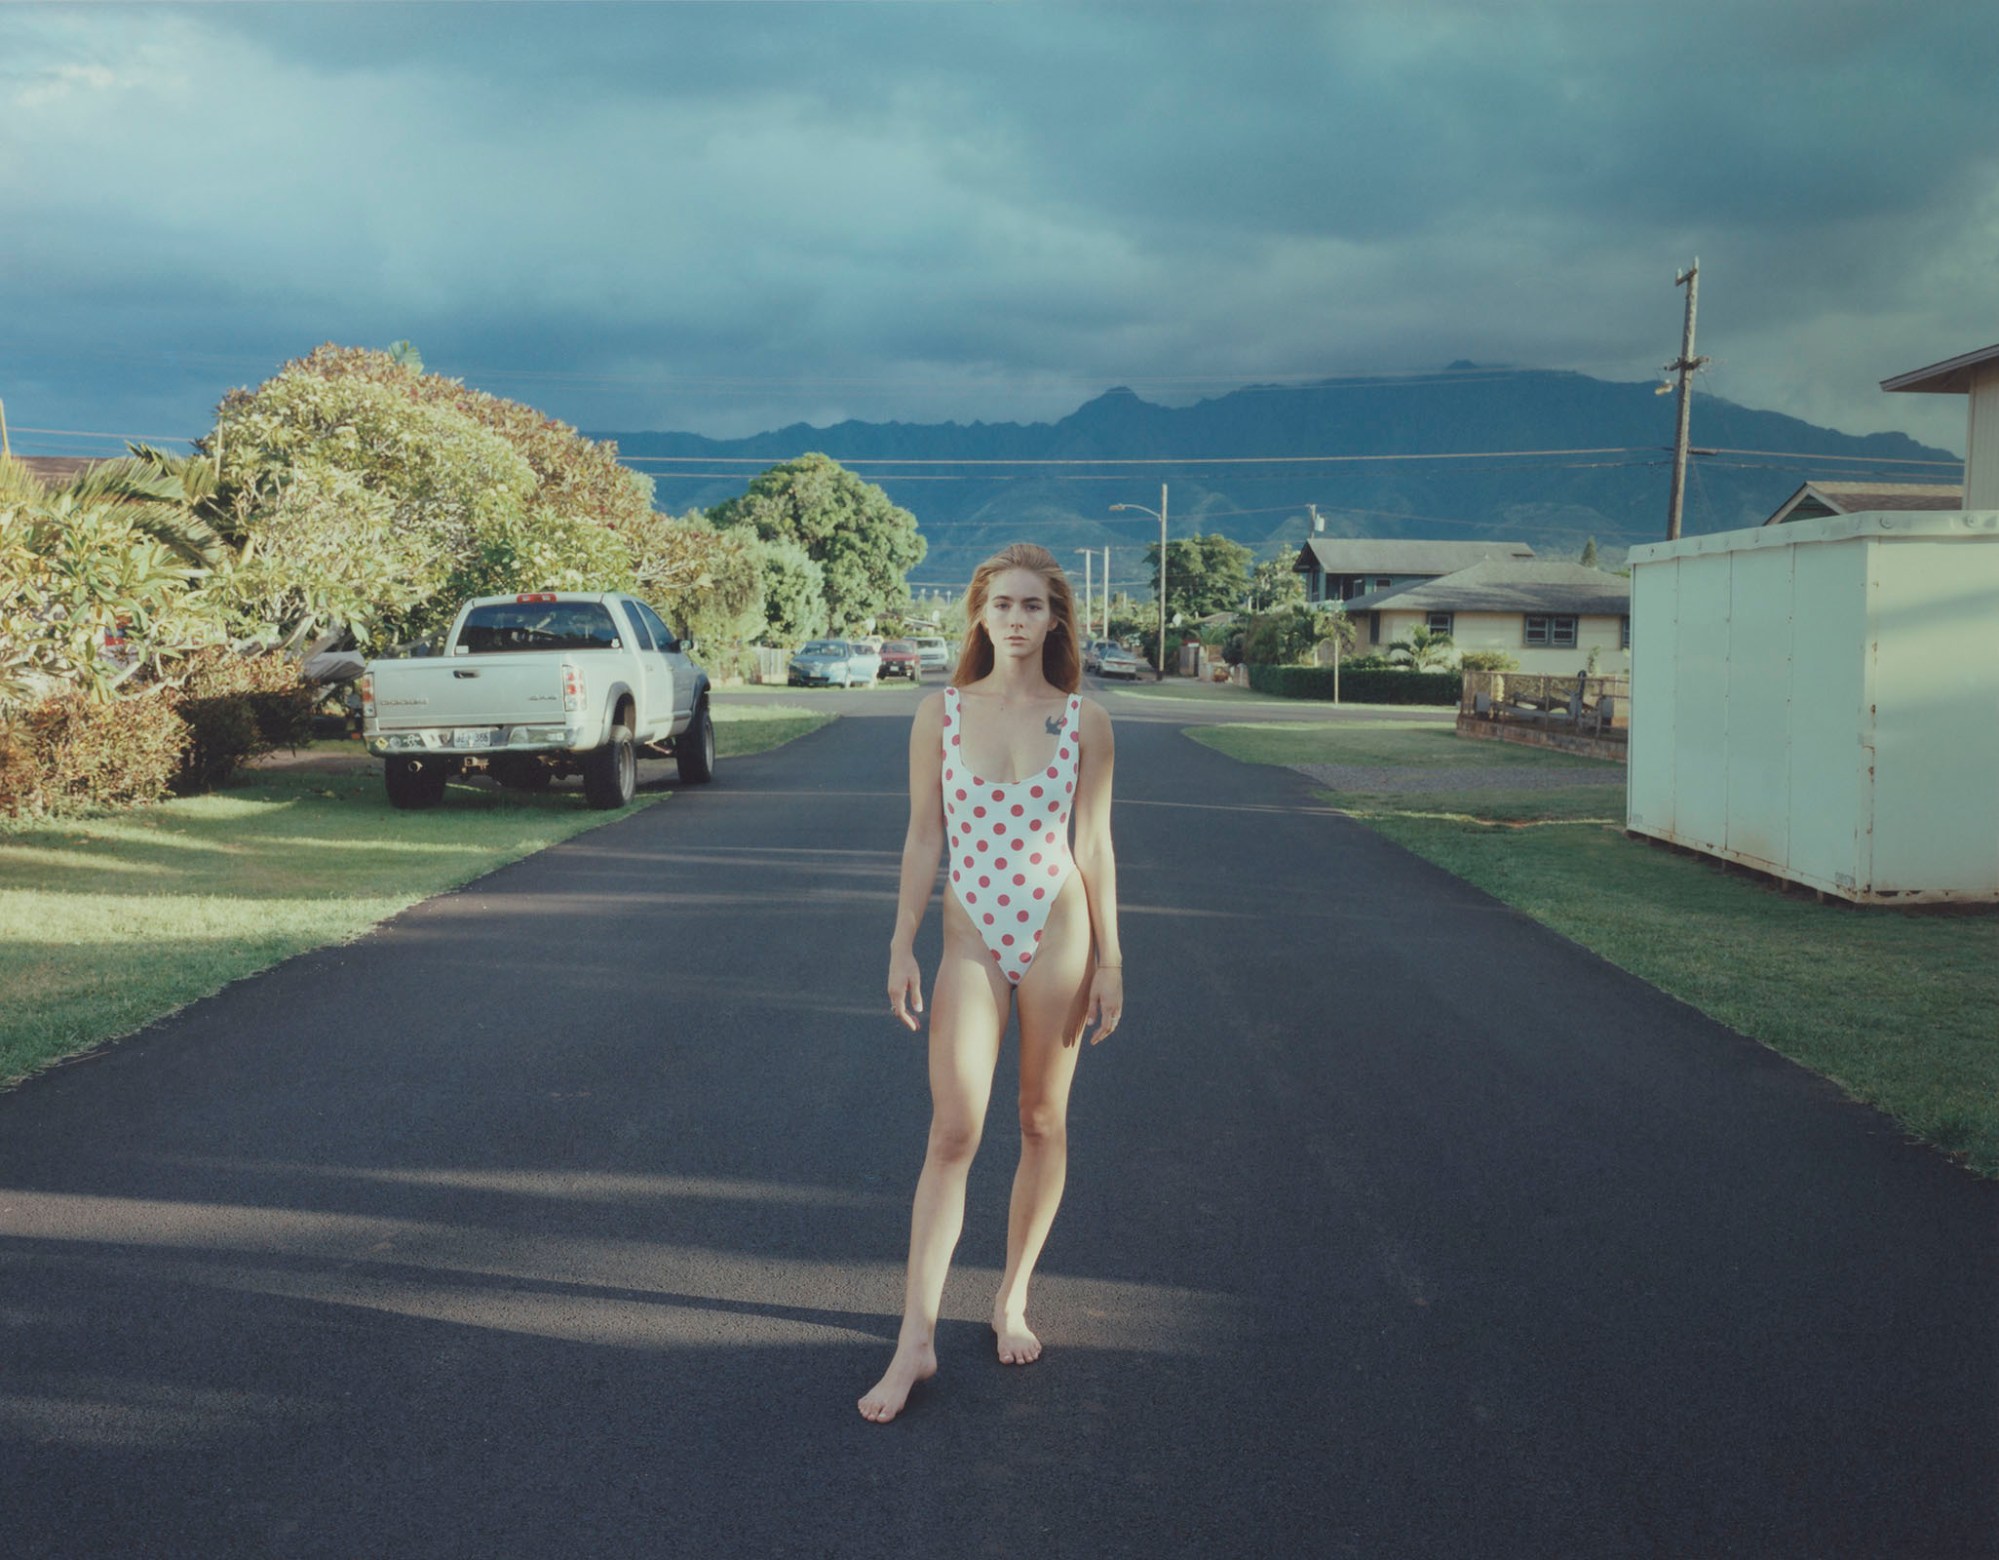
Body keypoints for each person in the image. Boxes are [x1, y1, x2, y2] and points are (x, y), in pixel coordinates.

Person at [859, 543, 1123, 1425]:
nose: (1016, 619)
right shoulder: (938, 712)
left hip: (1059, 929)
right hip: (970, 935)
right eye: (1002, 605)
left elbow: (1092, 847)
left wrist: (1113, 960)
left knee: (1042, 1120)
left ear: (1055, 620)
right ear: (978, 614)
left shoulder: (1084, 721)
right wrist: (899, 944)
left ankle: (1011, 1297)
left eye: (1033, 606)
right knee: (953, 1130)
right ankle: (916, 1341)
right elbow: (922, 839)